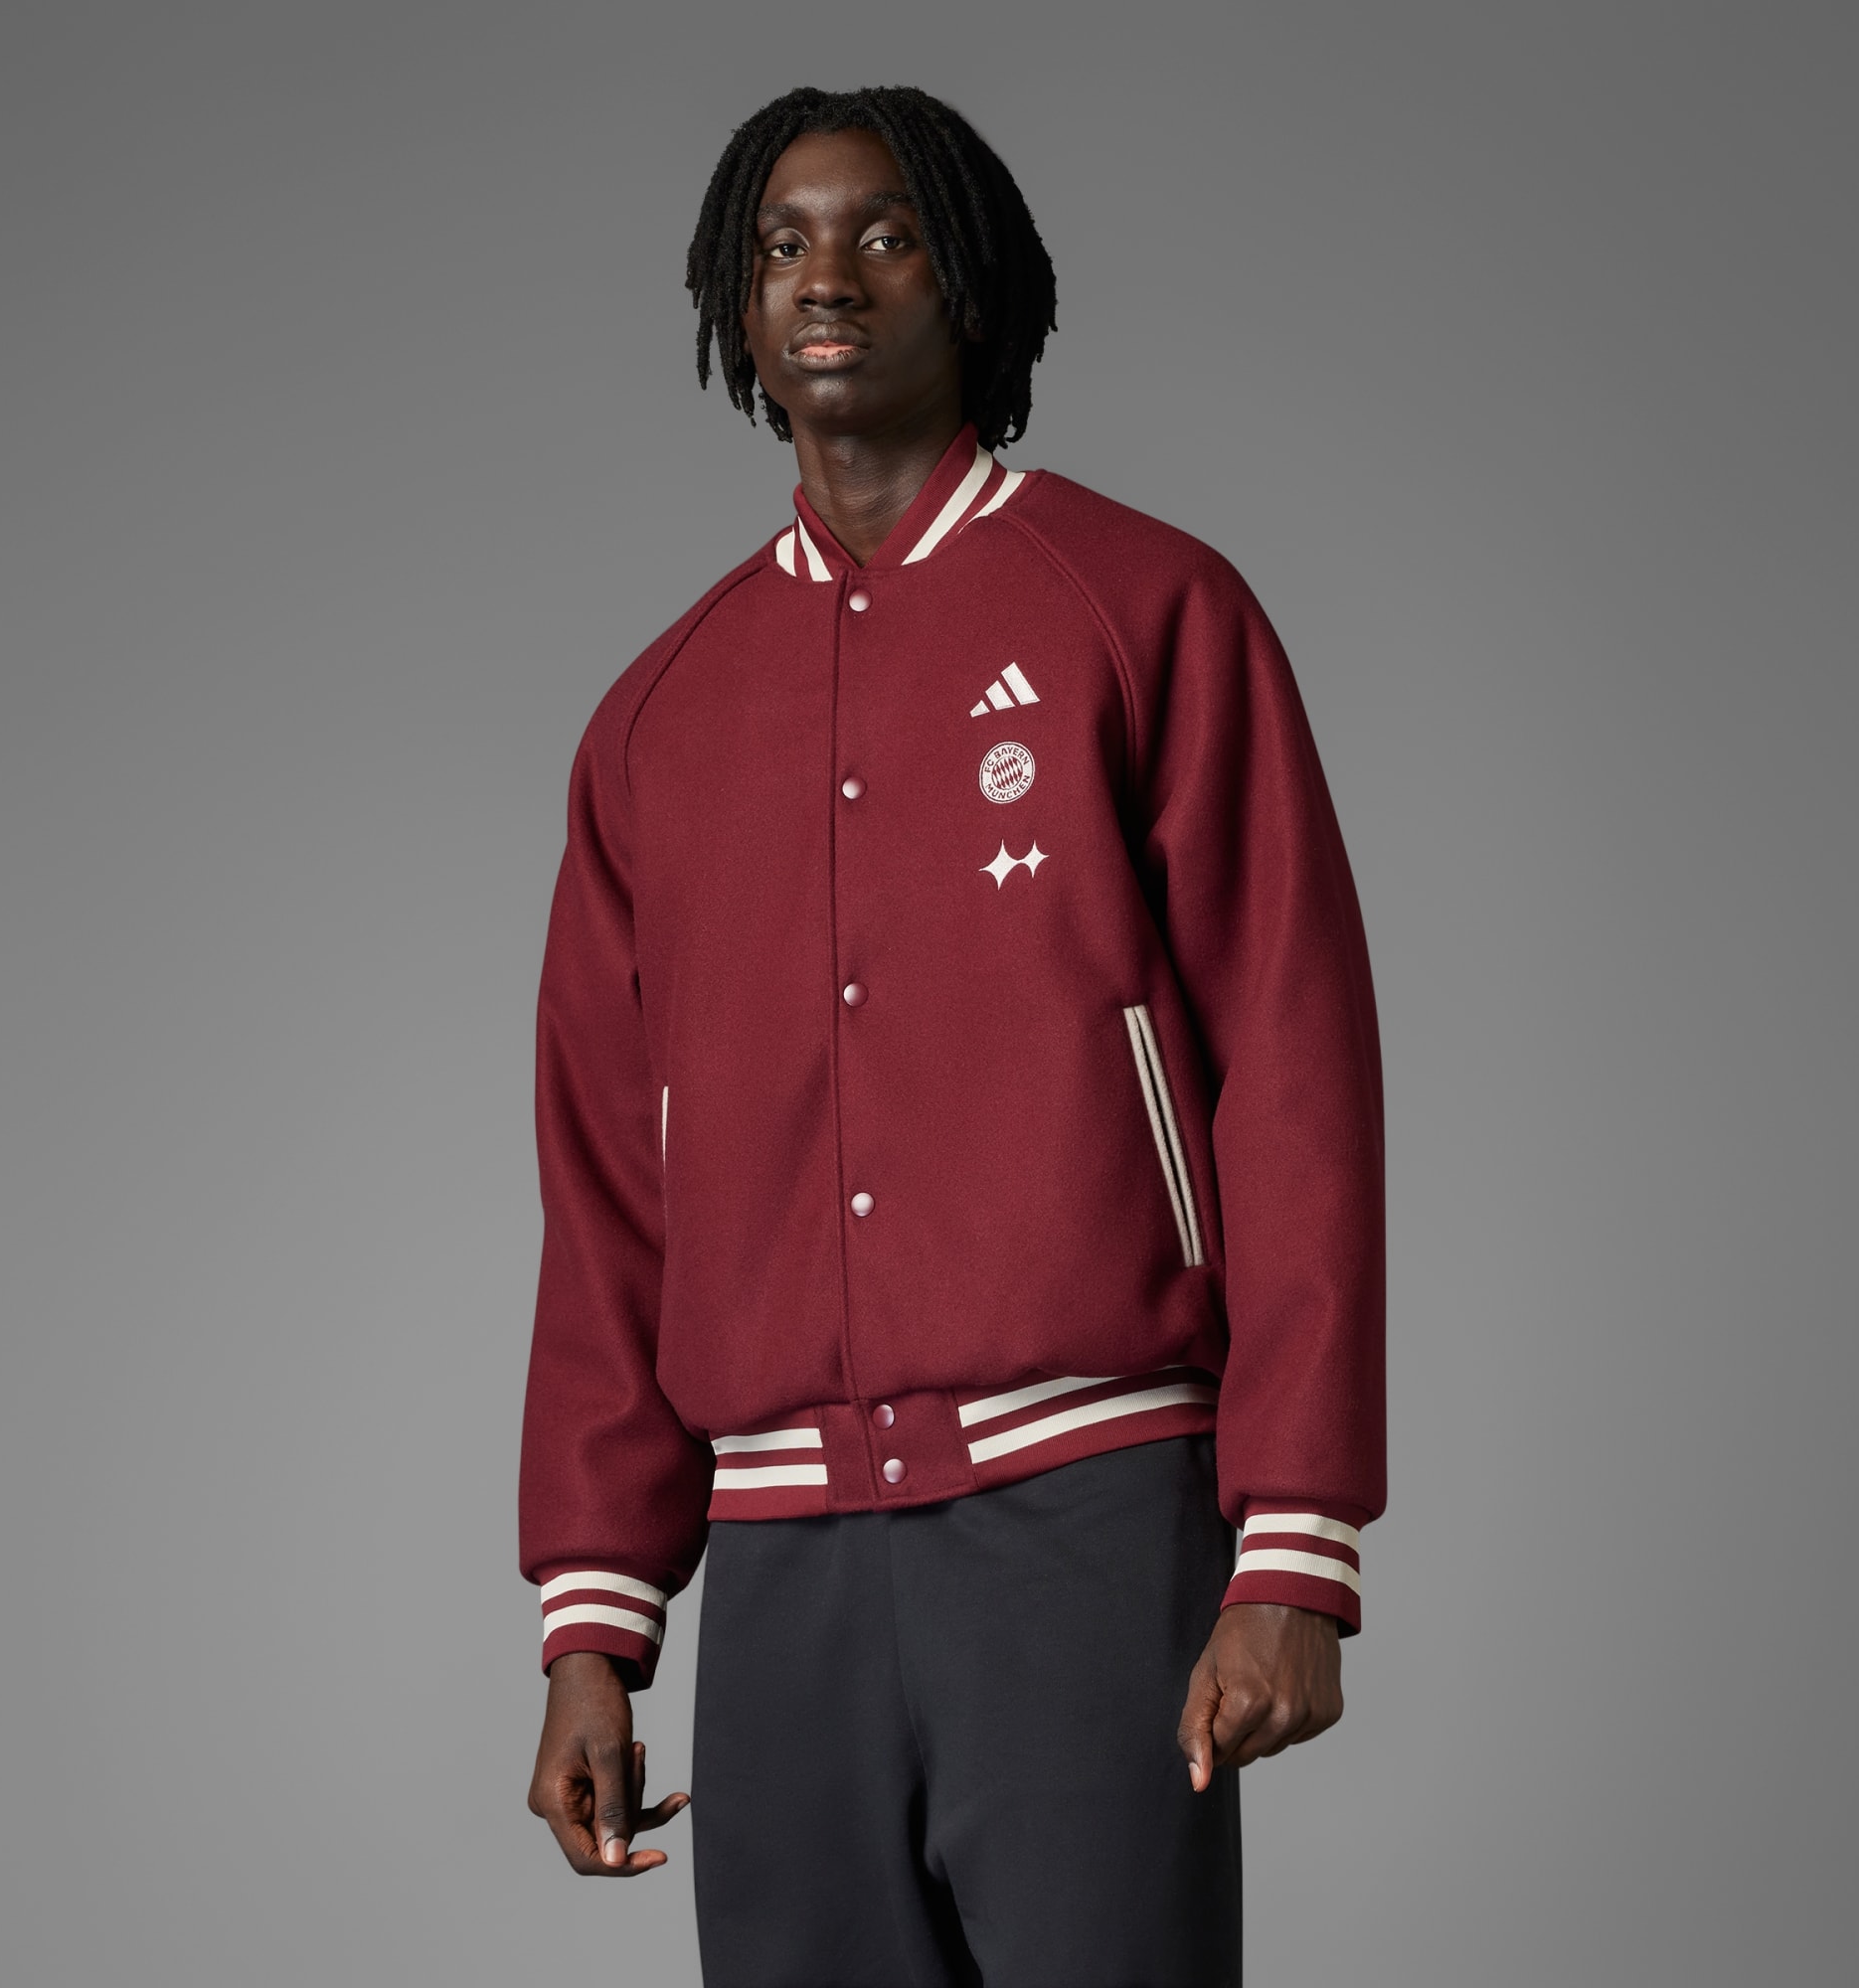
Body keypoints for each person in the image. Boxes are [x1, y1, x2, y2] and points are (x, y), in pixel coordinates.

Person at [519, 83, 1385, 1988]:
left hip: (1084, 1526)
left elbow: (1295, 1074)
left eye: (884, 234)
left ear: (971, 283)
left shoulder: (1146, 610)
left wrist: (1293, 1545)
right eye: (782, 245)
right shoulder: (657, 721)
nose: (826, 276)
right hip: (783, 1573)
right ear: (737, 306)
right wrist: (595, 1630)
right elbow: (606, 1192)